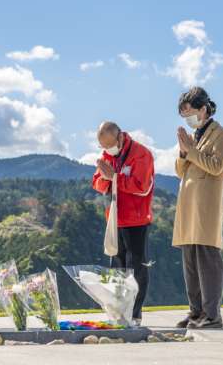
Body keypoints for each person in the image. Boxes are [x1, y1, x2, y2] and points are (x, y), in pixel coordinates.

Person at [172, 87, 223, 329]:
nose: (188, 119)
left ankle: (212, 314)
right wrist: (183, 152)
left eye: (190, 112)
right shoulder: (194, 135)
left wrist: (192, 151)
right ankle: (195, 311)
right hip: (188, 204)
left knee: (207, 260)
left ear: (204, 108)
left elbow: (216, 166)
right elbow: (179, 171)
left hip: (206, 204)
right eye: (183, 115)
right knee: (190, 260)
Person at [92, 121, 155, 325]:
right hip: (115, 219)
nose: (107, 150)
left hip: (136, 220)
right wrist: (104, 178)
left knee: (136, 268)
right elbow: (98, 184)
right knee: (116, 267)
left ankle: (135, 314)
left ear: (119, 137)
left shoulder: (140, 154)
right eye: (103, 147)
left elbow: (142, 187)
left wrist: (115, 177)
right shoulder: (107, 155)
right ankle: (118, 311)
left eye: (109, 145)